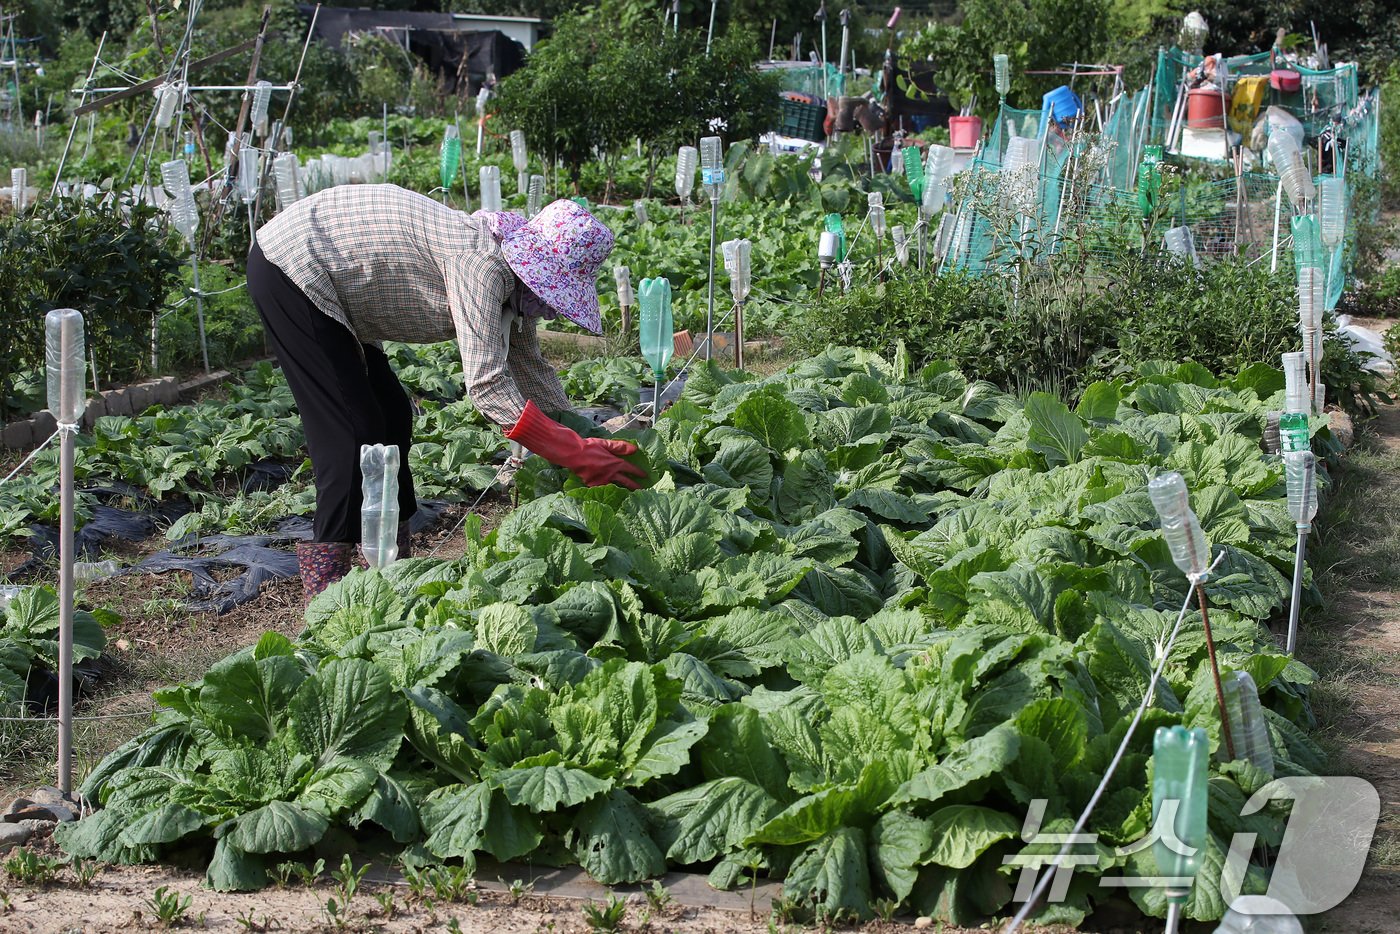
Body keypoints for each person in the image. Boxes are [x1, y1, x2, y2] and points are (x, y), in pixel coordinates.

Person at [247, 185, 645, 599]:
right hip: (293, 266)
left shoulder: (513, 285)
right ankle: (325, 586)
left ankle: (389, 564)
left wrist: (579, 438)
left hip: (339, 280)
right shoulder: (483, 266)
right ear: (536, 269)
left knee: (393, 414)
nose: (548, 305)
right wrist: (570, 451)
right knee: (352, 430)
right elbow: (487, 384)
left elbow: (531, 371)